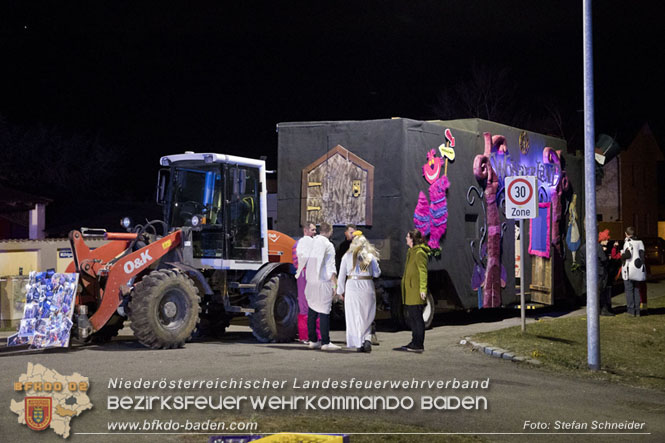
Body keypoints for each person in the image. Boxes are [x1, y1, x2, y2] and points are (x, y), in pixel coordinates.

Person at [296, 222, 340, 351]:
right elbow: (331, 266)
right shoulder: (328, 245)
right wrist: (335, 284)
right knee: (325, 311)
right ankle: (325, 341)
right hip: (323, 281)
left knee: (312, 310)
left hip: (310, 281)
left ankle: (313, 340)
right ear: (330, 232)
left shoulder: (311, 242)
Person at [337, 233, 381, 353]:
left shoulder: (346, 256)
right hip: (367, 286)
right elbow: (377, 273)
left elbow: (341, 275)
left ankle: (358, 341)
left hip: (352, 285)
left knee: (354, 314)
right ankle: (367, 338)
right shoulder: (370, 256)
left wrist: (340, 291)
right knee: (367, 314)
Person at [399, 229, 429, 353]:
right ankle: (414, 341)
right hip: (409, 291)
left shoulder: (419, 253)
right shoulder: (410, 252)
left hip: (416, 290)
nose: (406, 239)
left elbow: (423, 272)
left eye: (407, 237)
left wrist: (423, 289)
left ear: (412, 239)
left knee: (417, 318)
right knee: (412, 318)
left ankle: (419, 344)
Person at [293, 222, 319, 343]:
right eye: (313, 230)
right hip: (305, 276)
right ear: (305, 230)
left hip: (309, 276)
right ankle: (307, 336)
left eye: (315, 230)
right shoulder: (300, 245)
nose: (315, 232)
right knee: (306, 307)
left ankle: (312, 335)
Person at [620, 226, 646, 317]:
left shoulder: (628, 243)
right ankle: (638, 311)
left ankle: (631, 310)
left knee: (629, 290)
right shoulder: (640, 242)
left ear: (626, 234)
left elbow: (627, 255)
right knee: (636, 290)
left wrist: (621, 255)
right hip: (638, 270)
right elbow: (642, 255)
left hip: (629, 269)